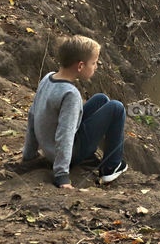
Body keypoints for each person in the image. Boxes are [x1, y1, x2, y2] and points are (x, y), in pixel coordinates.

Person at [21, 35, 128, 188]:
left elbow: (33, 115)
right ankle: (111, 166)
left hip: (50, 146)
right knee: (116, 108)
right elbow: (65, 134)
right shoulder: (70, 94)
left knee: (101, 99)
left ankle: (90, 157)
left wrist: (29, 153)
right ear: (80, 66)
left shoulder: (48, 78)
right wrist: (61, 175)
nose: (96, 66)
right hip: (69, 154)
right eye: (94, 63)